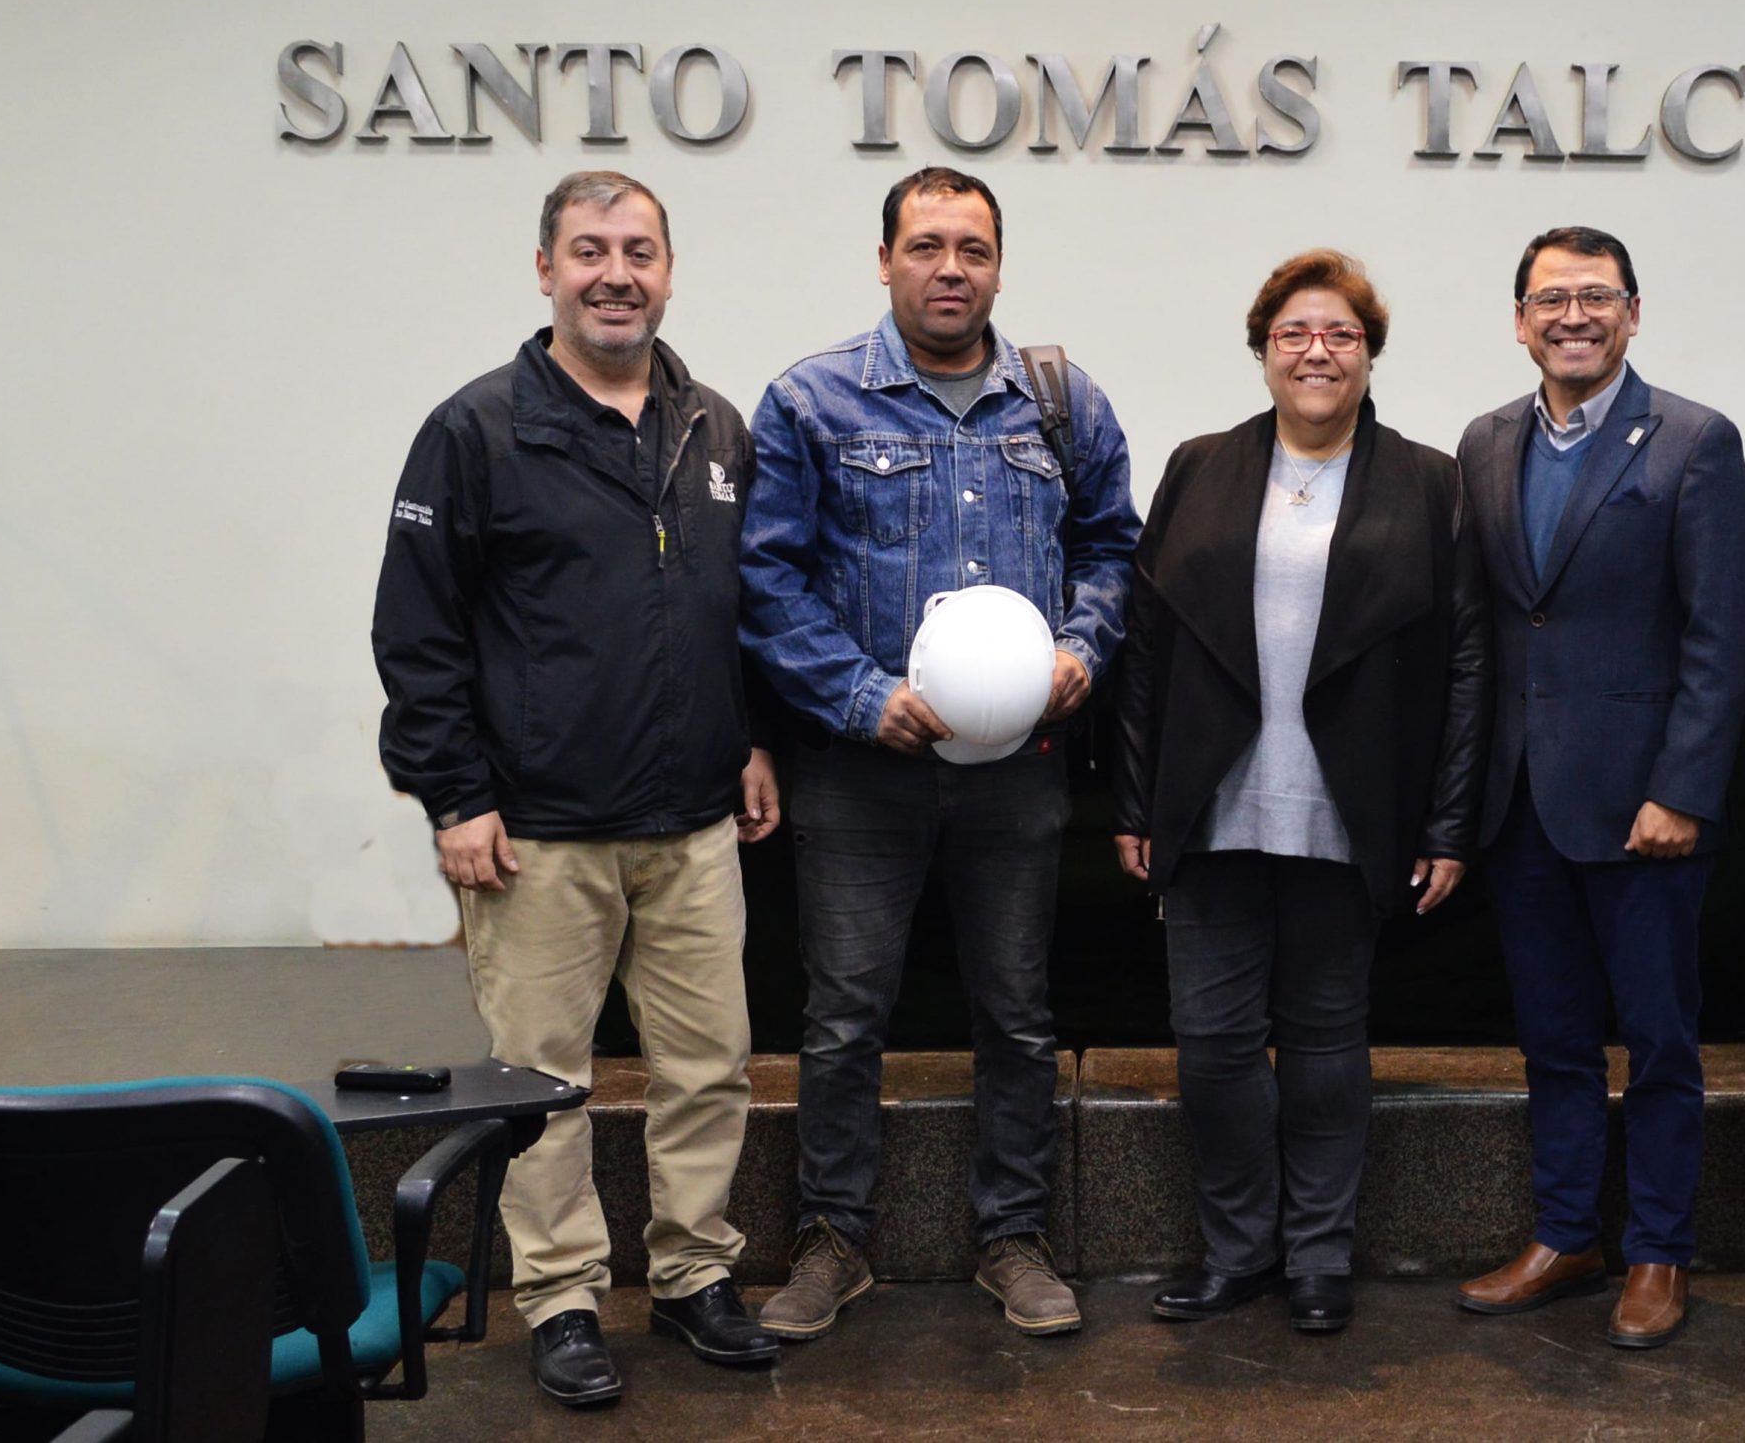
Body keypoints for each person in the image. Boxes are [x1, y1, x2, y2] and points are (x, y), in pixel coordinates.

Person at [371, 171, 781, 1407]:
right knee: (543, 1084)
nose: (617, 272)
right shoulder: (475, 428)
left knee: (710, 1065)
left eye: (639, 250)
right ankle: (558, 1299)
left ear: (669, 269)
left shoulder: (712, 425)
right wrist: (453, 796)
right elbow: (418, 633)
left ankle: (697, 1274)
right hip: (535, 835)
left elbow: (739, 609)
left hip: (693, 823)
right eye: (590, 249)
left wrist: (753, 739)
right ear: (543, 266)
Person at [740, 167, 1139, 1339]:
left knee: (1014, 1011)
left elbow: (1116, 549)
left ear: (999, 265)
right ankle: (830, 1240)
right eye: (925, 246)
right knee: (844, 1012)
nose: (948, 268)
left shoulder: (1061, 402)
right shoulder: (810, 402)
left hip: (1015, 771)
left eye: (971, 248)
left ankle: (1012, 1236)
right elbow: (765, 582)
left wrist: (1081, 650)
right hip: (860, 768)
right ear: (883, 260)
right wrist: (863, 696)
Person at [1111, 250, 1489, 1334]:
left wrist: (1448, 822)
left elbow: (1466, 663)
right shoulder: (1197, 467)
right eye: (1294, 334)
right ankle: (1239, 1252)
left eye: (1340, 335)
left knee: (1326, 1046)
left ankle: (1319, 1257)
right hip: (1212, 805)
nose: (1317, 351)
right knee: (1215, 1047)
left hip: (1353, 805)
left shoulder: (1427, 481)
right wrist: (1133, 804)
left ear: (1369, 354)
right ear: (1263, 351)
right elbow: (1148, 649)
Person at [1452, 227, 1745, 1349]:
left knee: (1662, 1040)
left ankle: (1658, 1252)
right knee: (1553, 1039)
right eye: (1549, 300)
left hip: (1645, 813)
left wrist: (1681, 789)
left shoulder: (1692, 442)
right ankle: (1567, 1232)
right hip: (1520, 802)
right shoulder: (1484, 443)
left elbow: (1723, 640)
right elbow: (1493, 625)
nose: (1570, 317)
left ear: (1633, 311)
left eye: (1594, 297)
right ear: (1519, 319)